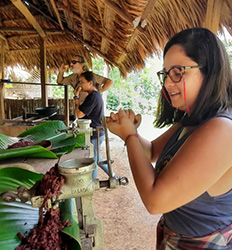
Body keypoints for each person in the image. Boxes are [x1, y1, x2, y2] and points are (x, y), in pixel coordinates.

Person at [106, 27, 232, 249]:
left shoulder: (222, 130)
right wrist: (131, 133)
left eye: (178, 72)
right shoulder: (191, 120)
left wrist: (129, 136)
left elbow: (155, 201)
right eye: (166, 73)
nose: (167, 83)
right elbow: (152, 152)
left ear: (209, 71)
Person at [74, 71, 116, 179]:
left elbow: (79, 114)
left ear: (90, 83)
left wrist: (76, 97)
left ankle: (93, 184)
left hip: (95, 134)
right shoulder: (95, 95)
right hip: (97, 132)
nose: (80, 85)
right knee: (98, 159)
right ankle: (114, 177)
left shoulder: (92, 97)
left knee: (94, 160)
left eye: (82, 82)